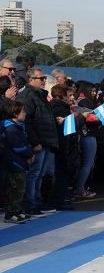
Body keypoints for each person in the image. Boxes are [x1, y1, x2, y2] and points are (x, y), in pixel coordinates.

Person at [16, 67, 59, 215]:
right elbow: (27, 122)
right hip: (38, 142)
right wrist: (35, 143)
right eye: (41, 78)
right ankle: (30, 203)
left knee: (39, 174)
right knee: (34, 174)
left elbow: (43, 118)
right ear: (30, 79)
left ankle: (36, 201)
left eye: (44, 78)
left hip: (45, 141)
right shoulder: (27, 96)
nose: (43, 81)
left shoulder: (39, 95)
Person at [2, 101, 34, 223]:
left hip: (19, 162)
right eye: (23, 111)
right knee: (16, 188)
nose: (25, 113)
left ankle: (17, 210)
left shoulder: (17, 127)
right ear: (15, 113)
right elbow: (18, 147)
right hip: (15, 162)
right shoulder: (11, 129)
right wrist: (29, 154)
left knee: (21, 188)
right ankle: (10, 213)